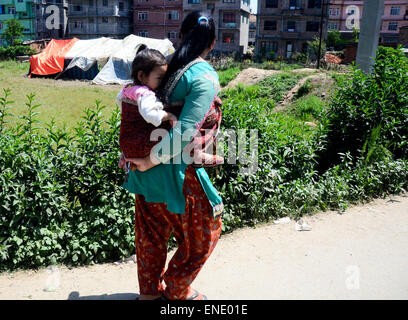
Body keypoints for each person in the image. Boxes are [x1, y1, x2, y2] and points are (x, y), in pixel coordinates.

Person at [118, 11, 223, 300]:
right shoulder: (203, 75)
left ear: (180, 35)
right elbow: (184, 133)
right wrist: (153, 158)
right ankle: (177, 289)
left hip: (143, 172)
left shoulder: (161, 68)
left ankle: (149, 294)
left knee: (151, 233)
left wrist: (139, 158)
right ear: (212, 44)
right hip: (176, 171)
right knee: (208, 231)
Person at [117, 47, 222, 172]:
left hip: (127, 143)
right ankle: (195, 154)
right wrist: (169, 116)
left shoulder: (128, 89)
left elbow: (120, 102)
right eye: (160, 78)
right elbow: (152, 116)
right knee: (179, 132)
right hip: (140, 144)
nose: (163, 83)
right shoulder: (145, 94)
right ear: (141, 76)